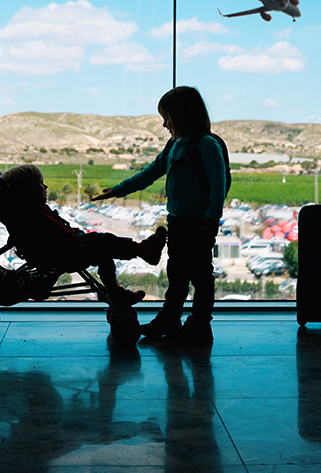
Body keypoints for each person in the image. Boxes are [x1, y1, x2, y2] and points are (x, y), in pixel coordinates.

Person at [92, 86, 227, 344]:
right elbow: (151, 172)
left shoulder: (206, 145)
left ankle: (199, 325)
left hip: (198, 223)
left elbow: (217, 184)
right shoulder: (174, 146)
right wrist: (117, 190)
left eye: (167, 117)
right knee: (176, 273)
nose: (165, 124)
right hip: (177, 221)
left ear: (181, 115)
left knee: (200, 275)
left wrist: (212, 218)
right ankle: (170, 318)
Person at [1, 164, 167, 306]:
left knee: (105, 253)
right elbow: (56, 231)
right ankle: (142, 250)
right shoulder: (34, 212)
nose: (46, 187)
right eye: (40, 184)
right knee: (107, 242)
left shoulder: (25, 212)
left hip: (66, 248)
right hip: (70, 250)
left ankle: (115, 291)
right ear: (26, 191)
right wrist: (75, 243)